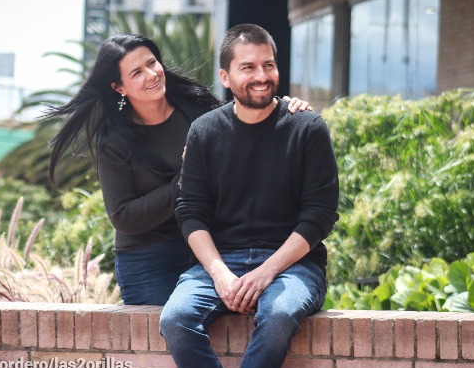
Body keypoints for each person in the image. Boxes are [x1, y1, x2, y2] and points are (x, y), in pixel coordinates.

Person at [46, 33, 311, 306]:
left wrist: (284, 109)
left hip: (215, 249)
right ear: (119, 87)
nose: (151, 74)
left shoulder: (197, 108)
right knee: (165, 331)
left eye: (152, 63)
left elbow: (247, 128)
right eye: (137, 72)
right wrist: (188, 175)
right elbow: (124, 217)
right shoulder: (114, 141)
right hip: (149, 260)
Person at [159, 24, 340, 368]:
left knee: (278, 316)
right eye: (248, 67)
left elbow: (319, 215)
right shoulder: (204, 131)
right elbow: (191, 212)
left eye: (268, 65)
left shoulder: (307, 128)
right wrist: (220, 274)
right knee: (175, 319)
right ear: (225, 77)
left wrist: (266, 271)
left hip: (294, 266)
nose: (261, 76)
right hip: (221, 262)